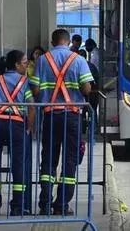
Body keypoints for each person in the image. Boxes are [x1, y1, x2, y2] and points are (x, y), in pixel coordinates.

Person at [30, 29, 94, 216]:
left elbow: (34, 90)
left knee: (49, 158)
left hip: (50, 116)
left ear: (52, 41)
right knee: (70, 160)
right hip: (72, 117)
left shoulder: (43, 60)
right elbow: (86, 88)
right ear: (68, 42)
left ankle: (44, 203)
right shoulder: (79, 60)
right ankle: (61, 205)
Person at [0, 50, 36, 216]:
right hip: (17, 125)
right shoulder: (24, 82)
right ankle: (18, 206)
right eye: (25, 62)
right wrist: (29, 127)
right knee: (18, 165)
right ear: (16, 64)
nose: (27, 65)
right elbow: (31, 107)